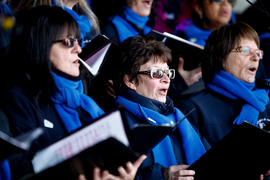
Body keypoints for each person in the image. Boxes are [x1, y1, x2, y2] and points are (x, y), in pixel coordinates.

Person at [1, 6, 145, 180]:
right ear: (41, 44)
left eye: (78, 41)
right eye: (68, 41)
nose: (79, 49)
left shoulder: (85, 103)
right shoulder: (19, 97)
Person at [112, 36, 210, 180]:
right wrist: (163, 175)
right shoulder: (118, 124)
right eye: (156, 73)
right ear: (131, 81)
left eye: (167, 73)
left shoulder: (177, 116)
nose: (166, 79)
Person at [176, 22, 270, 146]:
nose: (255, 58)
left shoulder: (264, 99)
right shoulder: (192, 108)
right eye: (245, 50)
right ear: (221, 57)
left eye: (258, 53)